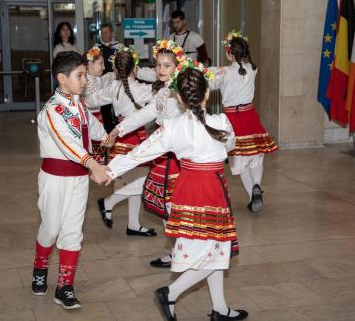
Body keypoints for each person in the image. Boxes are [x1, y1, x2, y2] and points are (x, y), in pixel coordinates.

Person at [106, 61, 248, 321]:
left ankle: (220, 308)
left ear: (179, 98)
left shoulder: (173, 128)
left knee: (215, 249)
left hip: (188, 188)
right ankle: (170, 292)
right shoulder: (221, 122)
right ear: (206, 93)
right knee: (214, 250)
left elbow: (140, 153)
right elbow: (229, 148)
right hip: (211, 189)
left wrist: (111, 170)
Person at [30, 51, 111, 310]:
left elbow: (92, 129)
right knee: (51, 228)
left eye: (85, 75)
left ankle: (65, 286)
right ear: (62, 78)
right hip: (55, 180)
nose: (85, 80)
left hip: (79, 179)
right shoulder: (52, 110)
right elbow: (66, 142)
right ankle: (40, 267)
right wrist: (93, 163)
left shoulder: (81, 105)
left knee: (73, 233)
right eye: (80, 75)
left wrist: (107, 136)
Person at [106, 39, 185, 268]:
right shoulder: (164, 90)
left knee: (172, 205)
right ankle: (176, 250)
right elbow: (146, 114)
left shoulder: (177, 91)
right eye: (158, 65)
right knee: (166, 205)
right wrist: (118, 129)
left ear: (177, 66)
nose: (161, 69)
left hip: (174, 153)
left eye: (167, 65)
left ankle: (181, 252)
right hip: (165, 152)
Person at [83, 48, 156, 237]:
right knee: (141, 181)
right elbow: (159, 96)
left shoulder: (114, 87)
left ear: (116, 69)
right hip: (133, 136)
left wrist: (78, 97)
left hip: (121, 136)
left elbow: (91, 100)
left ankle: (133, 224)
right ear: (134, 68)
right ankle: (108, 203)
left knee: (136, 181)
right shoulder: (138, 88)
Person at [210, 31, 277, 212]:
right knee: (256, 156)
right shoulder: (253, 69)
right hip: (250, 116)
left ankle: (252, 194)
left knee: (239, 161)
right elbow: (242, 66)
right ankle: (257, 186)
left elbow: (209, 82)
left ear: (230, 53)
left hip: (233, 119)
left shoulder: (223, 73)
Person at [95, 23, 124, 133]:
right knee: (104, 106)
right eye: (102, 32)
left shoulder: (119, 47)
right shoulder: (96, 48)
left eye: (106, 32)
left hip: (116, 81)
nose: (103, 35)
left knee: (118, 105)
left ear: (112, 33)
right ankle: (106, 128)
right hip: (101, 82)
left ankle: (118, 128)